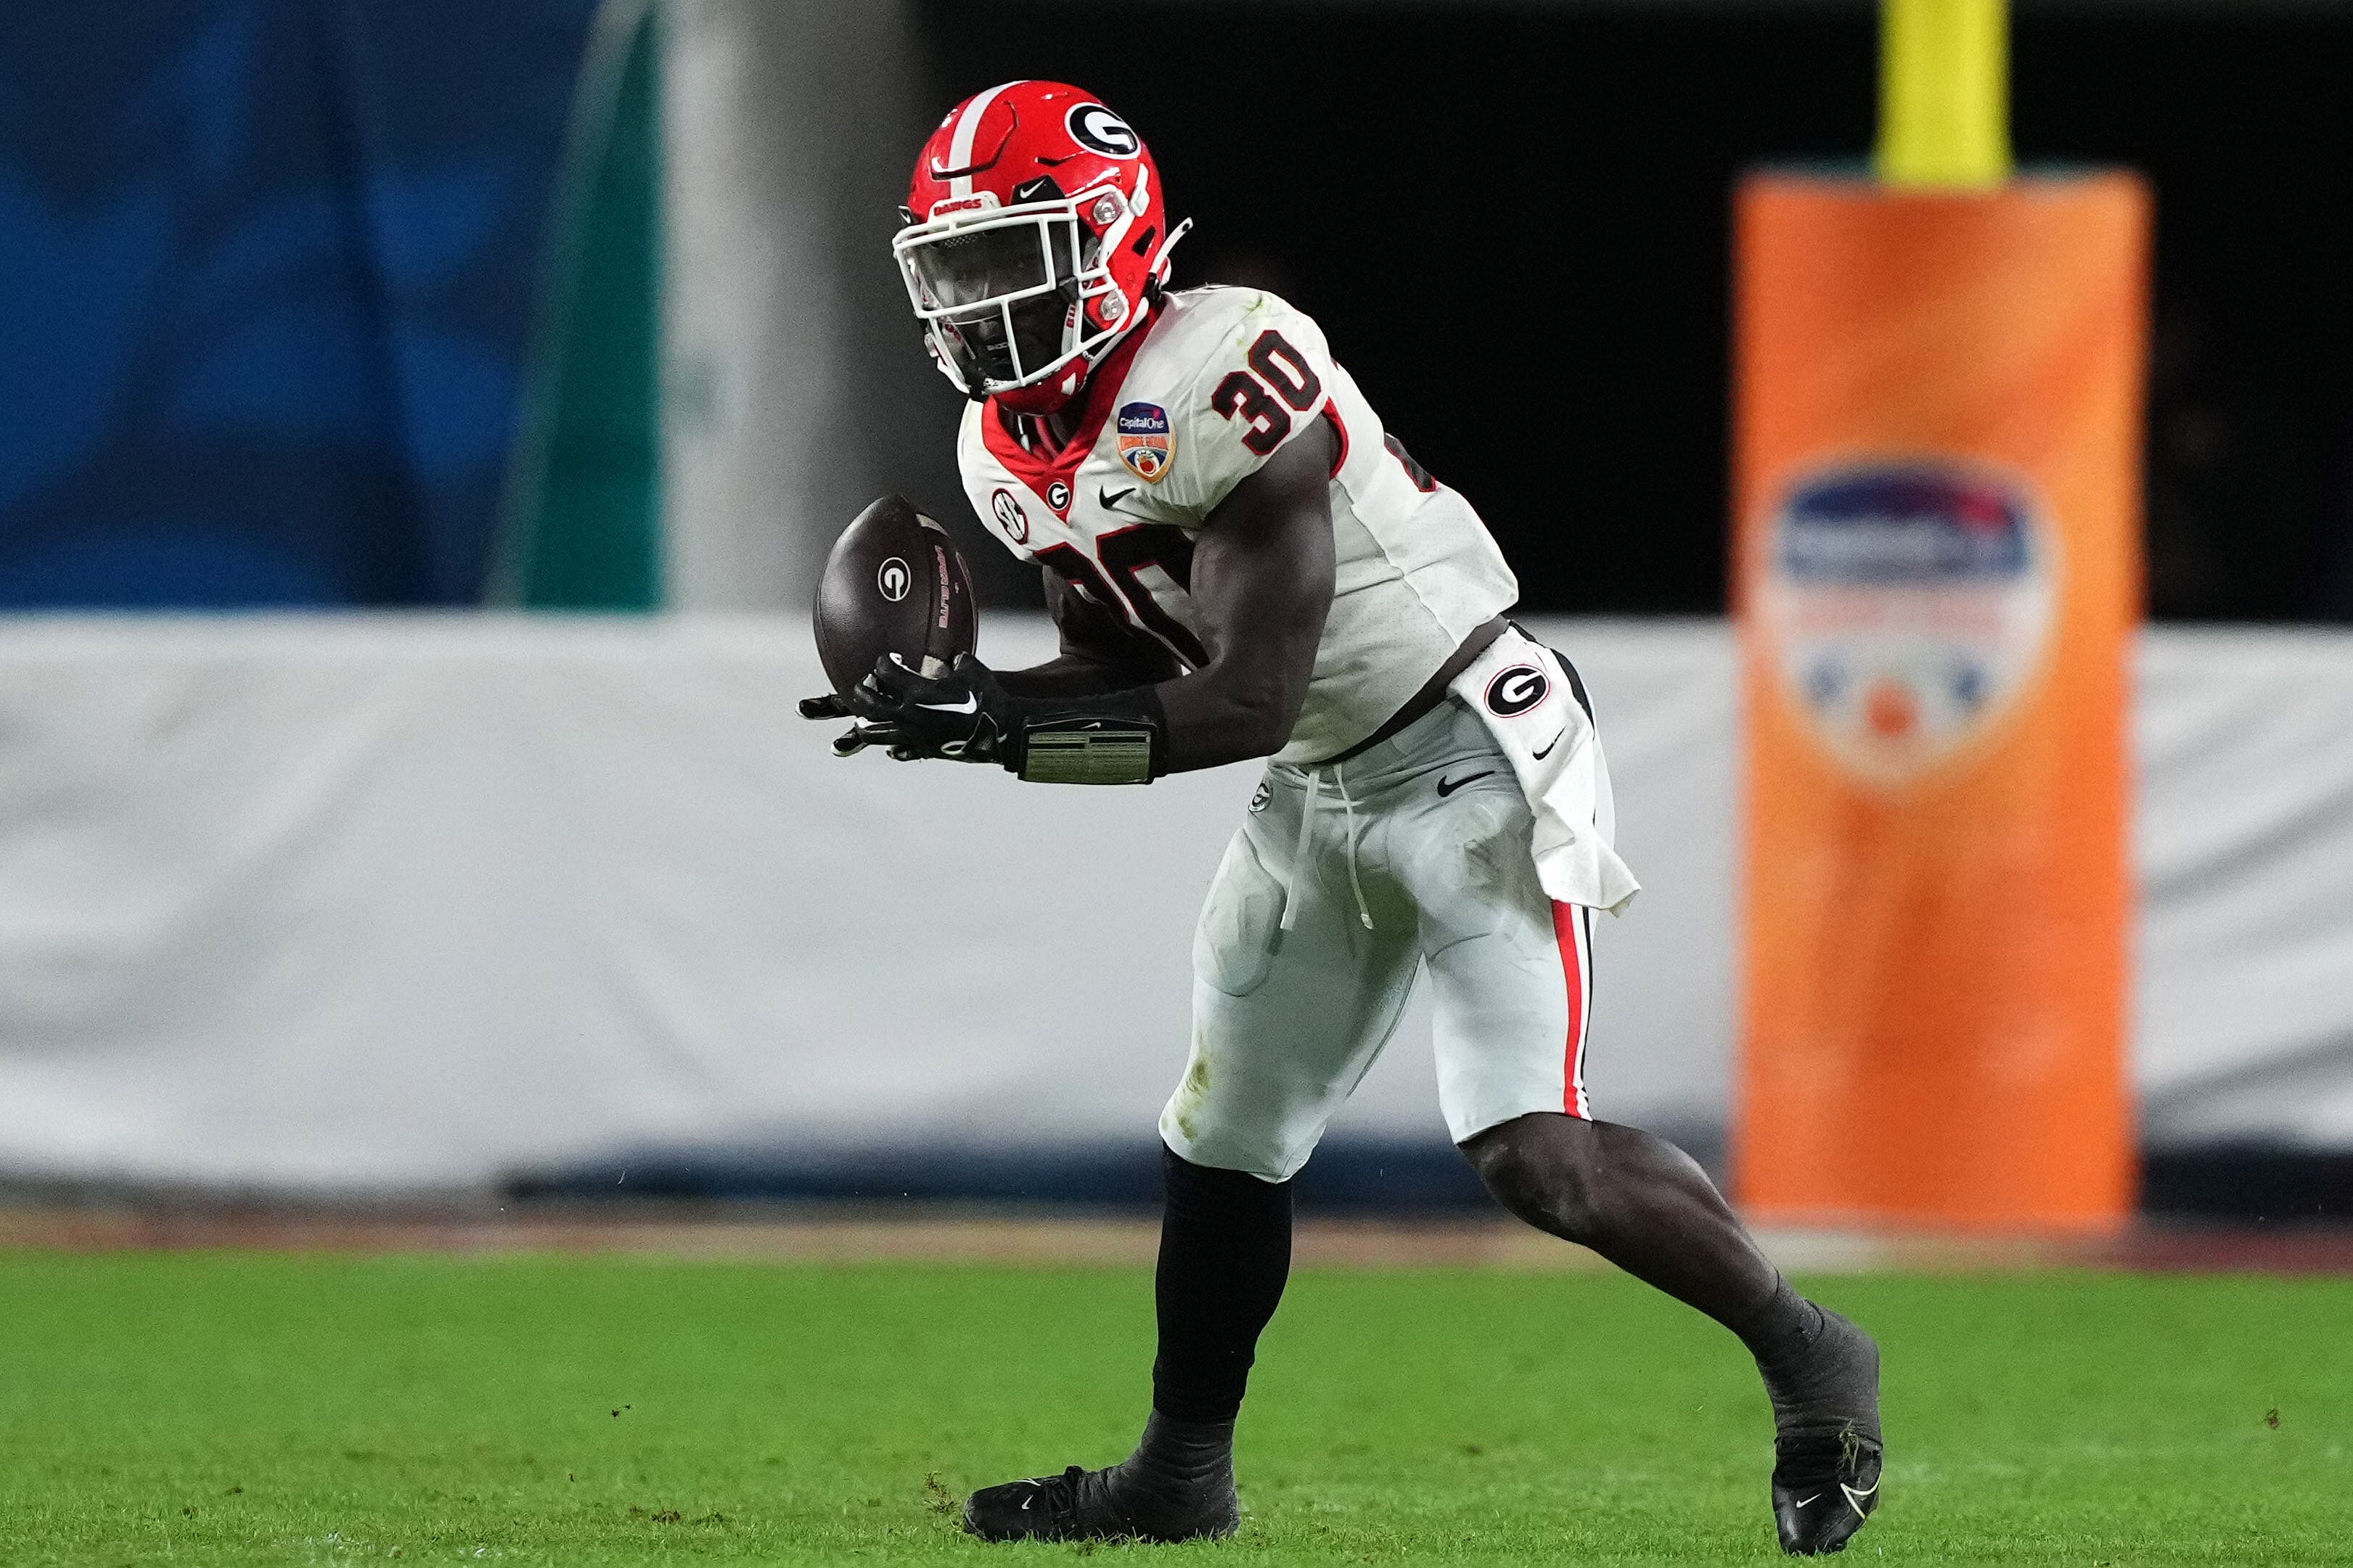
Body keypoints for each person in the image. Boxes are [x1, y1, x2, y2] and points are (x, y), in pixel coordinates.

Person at [801, 80, 1882, 1556]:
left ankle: (1813, 1356)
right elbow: (1120, 665)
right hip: (1322, 776)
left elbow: (1245, 694)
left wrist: (1002, 729)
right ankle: (1178, 1476)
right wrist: (973, 705)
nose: (982, 306)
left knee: (1532, 1153)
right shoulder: (1002, 451)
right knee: (1222, 1131)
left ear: (1113, 241)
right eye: (958, 268)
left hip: (1466, 743)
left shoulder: (1229, 363)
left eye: (1012, 260)